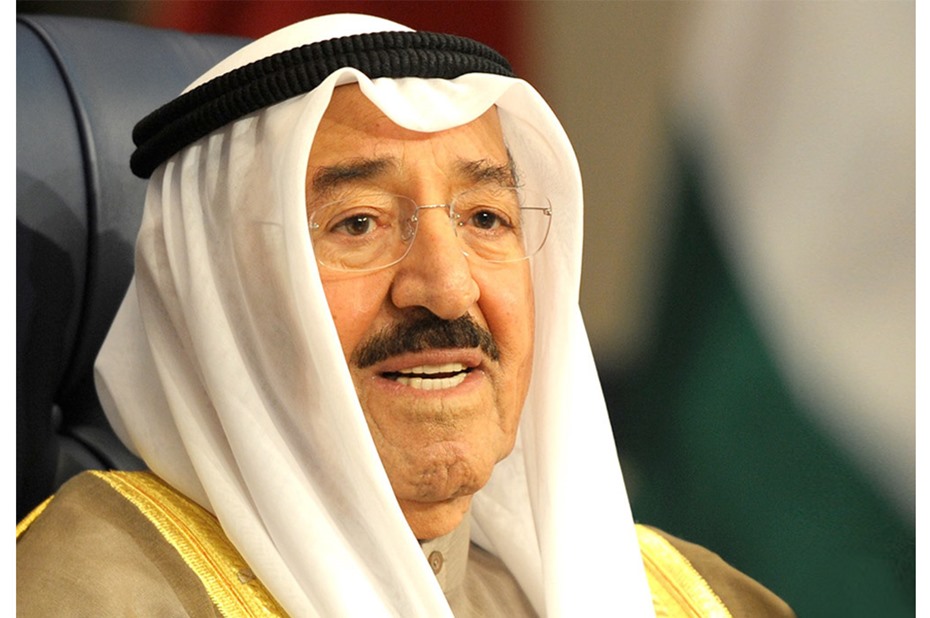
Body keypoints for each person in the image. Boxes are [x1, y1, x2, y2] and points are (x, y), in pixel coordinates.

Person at [16, 14, 794, 617]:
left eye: (486, 219)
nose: (448, 289)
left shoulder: (688, 597)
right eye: (359, 223)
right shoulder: (93, 592)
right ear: (234, 301)